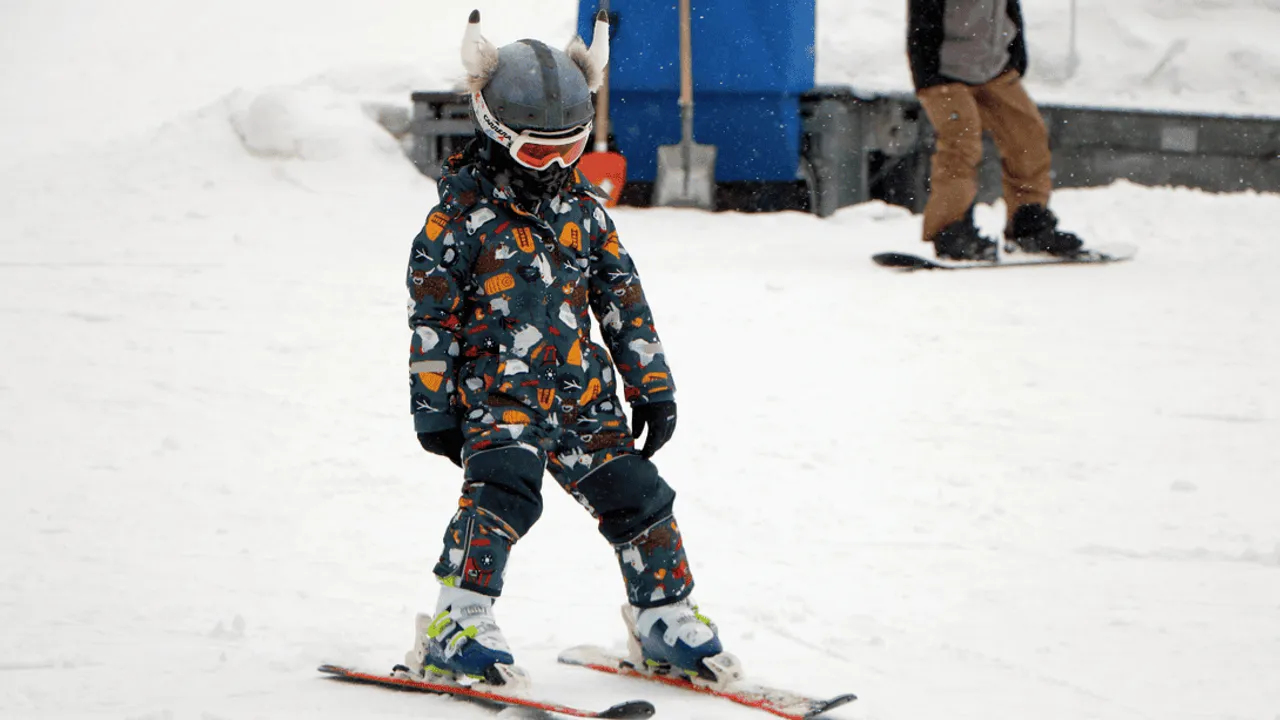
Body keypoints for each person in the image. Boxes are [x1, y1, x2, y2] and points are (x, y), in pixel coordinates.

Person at [396, 10, 739, 691]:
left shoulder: (584, 213)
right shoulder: (458, 222)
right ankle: (455, 624)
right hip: (500, 400)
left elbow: (623, 301)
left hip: (584, 396)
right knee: (503, 498)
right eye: (535, 153)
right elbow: (430, 319)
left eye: (568, 149)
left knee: (640, 498)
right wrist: (432, 407)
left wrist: (651, 385)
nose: (553, 167)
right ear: (495, 137)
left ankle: (663, 619)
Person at [907, 0, 1085, 261]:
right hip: (945, 73)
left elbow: (1010, 8)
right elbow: (923, 20)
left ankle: (1028, 221)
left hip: (994, 69)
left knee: (1027, 136)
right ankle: (949, 229)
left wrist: (1015, 56)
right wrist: (928, 73)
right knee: (961, 143)